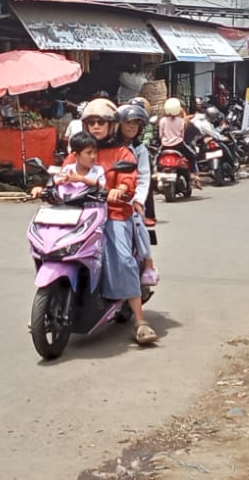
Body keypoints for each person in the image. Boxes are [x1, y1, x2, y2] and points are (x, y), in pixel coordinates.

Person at [82, 99, 156, 345]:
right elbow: (66, 172)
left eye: (101, 122)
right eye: (91, 122)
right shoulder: (80, 150)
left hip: (113, 212)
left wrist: (123, 190)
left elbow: (131, 179)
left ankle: (140, 320)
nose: (96, 126)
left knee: (123, 259)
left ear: (112, 125)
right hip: (82, 213)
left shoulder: (124, 152)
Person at [118, 103, 159, 286]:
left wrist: (138, 200)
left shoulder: (140, 149)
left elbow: (143, 177)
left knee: (137, 223)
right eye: (128, 122)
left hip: (131, 198)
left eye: (136, 123)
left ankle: (148, 263)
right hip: (106, 198)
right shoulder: (108, 146)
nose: (132, 127)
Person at [33, 131, 105, 198]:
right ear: (76, 155)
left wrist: (81, 179)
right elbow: (54, 182)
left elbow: (101, 186)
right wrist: (41, 189)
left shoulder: (98, 170)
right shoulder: (68, 169)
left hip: (91, 205)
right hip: (68, 204)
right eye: (89, 153)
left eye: (95, 152)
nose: (93, 156)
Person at [159, 98, 201, 188]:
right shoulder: (181, 121)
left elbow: (161, 135)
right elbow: (181, 135)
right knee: (192, 156)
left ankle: (156, 173)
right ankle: (193, 173)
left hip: (165, 145)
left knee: (156, 158)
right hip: (179, 145)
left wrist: (166, 139)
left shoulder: (162, 121)